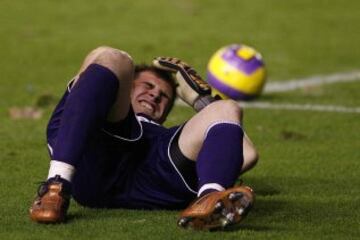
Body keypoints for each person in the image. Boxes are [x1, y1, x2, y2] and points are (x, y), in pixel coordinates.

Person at [29, 46, 259, 230]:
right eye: (147, 86)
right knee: (112, 56)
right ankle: (57, 186)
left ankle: (210, 202)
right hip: (104, 154)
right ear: (124, 88)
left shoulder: (162, 135)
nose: (154, 94)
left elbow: (247, 154)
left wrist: (201, 100)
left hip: (156, 170)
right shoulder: (102, 111)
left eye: (164, 97)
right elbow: (96, 62)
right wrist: (109, 75)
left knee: (227, 108)